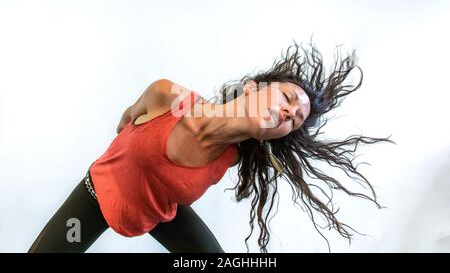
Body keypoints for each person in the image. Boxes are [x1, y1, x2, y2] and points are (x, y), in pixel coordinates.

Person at [28, 40, 394, 253]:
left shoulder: (231, 159)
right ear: (252, 88)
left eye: (294, 119)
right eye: (287, 97)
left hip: (158, 211)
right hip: (98, 195)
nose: (287, 111)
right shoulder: (169, 98)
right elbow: (127, 119)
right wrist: (127, 161)